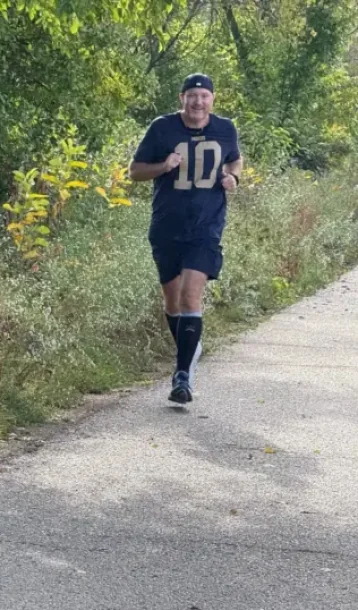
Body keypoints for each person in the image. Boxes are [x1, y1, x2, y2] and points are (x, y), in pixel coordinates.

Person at [129, 73, 242, 404]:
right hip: (167, 225)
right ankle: (189, 348)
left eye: (204, 96)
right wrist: (163, 165)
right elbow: (134, 171)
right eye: (192, 95)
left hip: (206, 225)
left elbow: (234, 157)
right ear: (182, 98)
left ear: (213, 99)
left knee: (191, 297)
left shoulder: (225, 128)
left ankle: (182, 377)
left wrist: (233, 176)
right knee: (173, 300)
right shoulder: (162, 128)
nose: (198, 101)